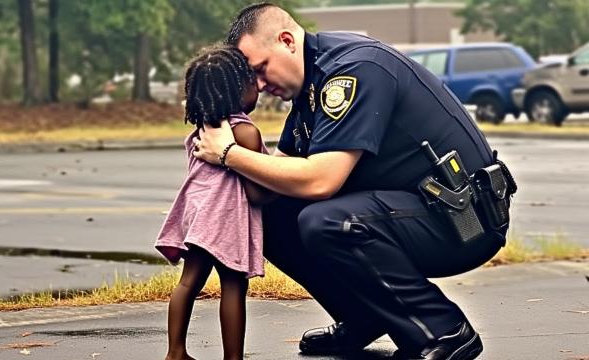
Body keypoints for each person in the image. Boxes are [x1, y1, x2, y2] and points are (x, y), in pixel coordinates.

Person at [192, 3, 514, 360]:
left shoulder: (353, 69)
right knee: (265, 210)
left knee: (330, 221)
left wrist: (228, 154)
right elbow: (278, 170)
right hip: (419, 211)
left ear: (287, 41)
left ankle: (443, 330)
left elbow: (320, 182)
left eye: (261, 70)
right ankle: (363, 317)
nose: (261, 86)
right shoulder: (311, 83)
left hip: (463, 222)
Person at [154, 44, 271, 360]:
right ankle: (233, 358)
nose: (257, 87)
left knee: (188, 282)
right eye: (251, 82)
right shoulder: (245, 132)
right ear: (236, 91)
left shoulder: (199, 133)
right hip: (225, 220)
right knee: (233, 286)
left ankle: (175, 352)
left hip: (197, 218)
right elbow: (256, 192)